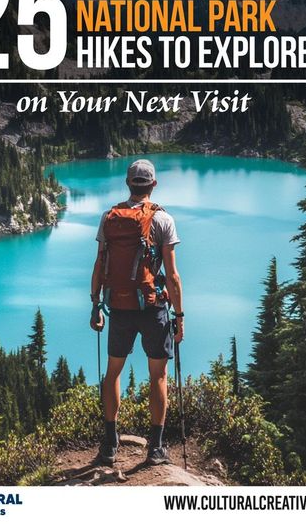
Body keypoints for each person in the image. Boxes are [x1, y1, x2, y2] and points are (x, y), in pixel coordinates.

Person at [90, 158, 184, 466]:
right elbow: (172, 276)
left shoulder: (109, 217)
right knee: (158, 375)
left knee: (113, 372)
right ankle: (155, 447)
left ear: (128, 184)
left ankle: (109, 444)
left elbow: (99, 263)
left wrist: (95, 305)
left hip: (118, 305)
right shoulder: (163, 220)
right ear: (153, 185)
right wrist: (179, 316)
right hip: (153, 306)